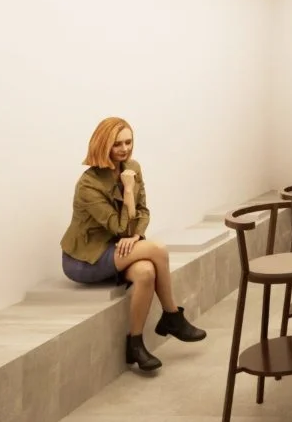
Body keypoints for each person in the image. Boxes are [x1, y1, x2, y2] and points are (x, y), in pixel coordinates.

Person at [60, 117, 206, 373]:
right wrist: (128, 190)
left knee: (146, 271)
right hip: (86, 259)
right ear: (103, 145)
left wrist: (136, 235)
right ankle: (171, 315)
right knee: (157, 250)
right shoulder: (88, 184)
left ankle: (135, 344)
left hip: (120, 248)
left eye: (128, 142)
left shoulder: (132, 167)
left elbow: (143, 211)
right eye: (117, 144)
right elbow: (120, 228)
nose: (125, 149)